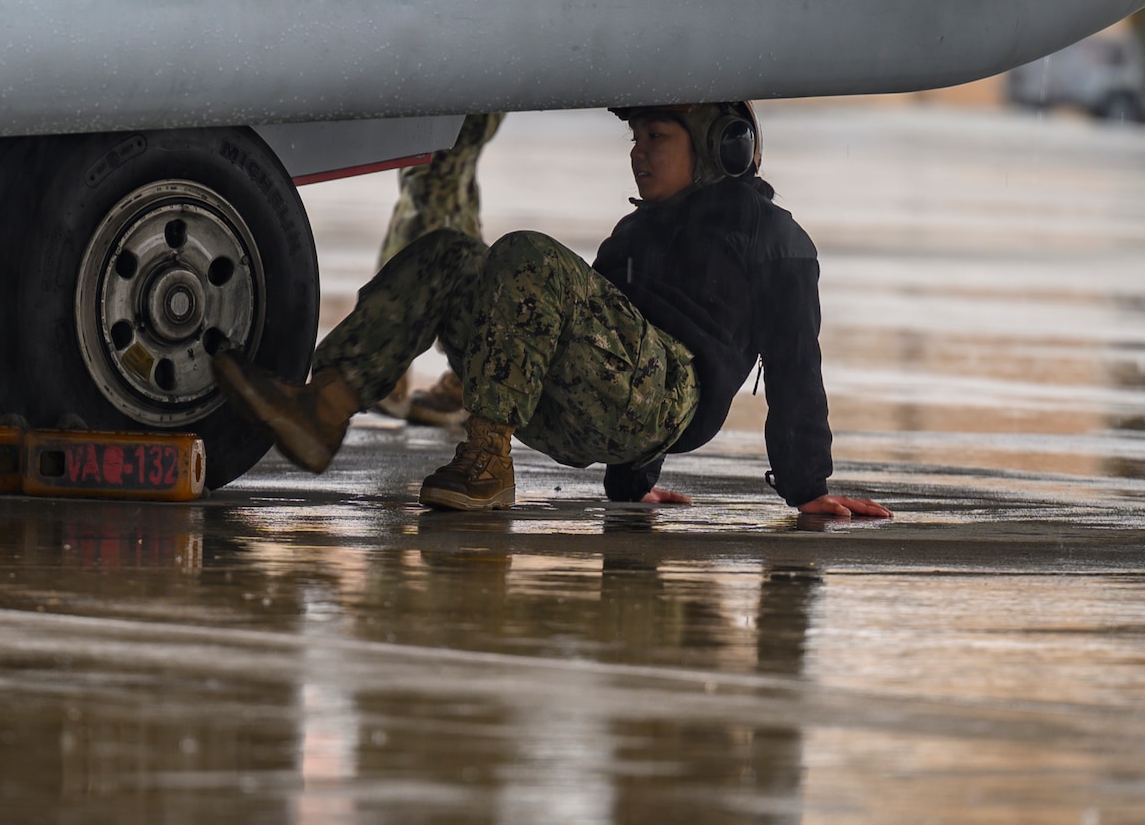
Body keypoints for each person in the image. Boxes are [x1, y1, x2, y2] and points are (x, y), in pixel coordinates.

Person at [214, 102, 890, 520]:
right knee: (450, 252)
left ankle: (485, 462)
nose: (638, 150)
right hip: (599, 408)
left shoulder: (772, 238)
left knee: (528, 254)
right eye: (638, 136)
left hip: (665, 399)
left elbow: (797, 365)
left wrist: (808, 487)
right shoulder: (634, 235)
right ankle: (324, 406)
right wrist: (630, 486)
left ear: (722, 148)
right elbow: (577, 340)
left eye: (658, 135)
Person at [372, 112, 504, 427]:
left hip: (468, 68)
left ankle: (385, 356)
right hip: (467, 67)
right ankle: (475, 373)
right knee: (446, 175)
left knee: (433, 174)